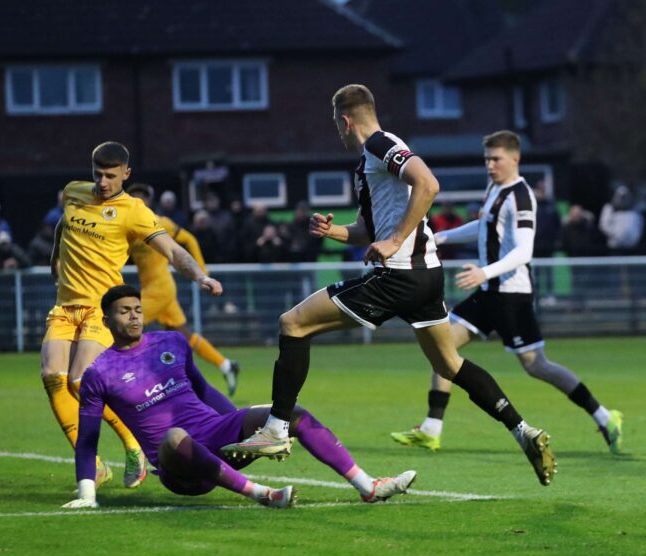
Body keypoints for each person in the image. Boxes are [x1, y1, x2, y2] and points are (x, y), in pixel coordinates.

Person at [228, 84, 557, 486]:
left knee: (293, 323)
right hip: (424, 277)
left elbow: (428, 184)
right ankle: (523, 431)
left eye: (337, 125)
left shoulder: (382, 145)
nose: (338, 132)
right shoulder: (374, 158)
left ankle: (277, 427)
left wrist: (396, 240)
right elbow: (370, 230)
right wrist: (335, 233)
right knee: (448, 363)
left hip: (398, 276)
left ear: (345, 121)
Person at [62, 285, 417, 509]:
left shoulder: (170, 342)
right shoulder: (98, 373)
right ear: (106, 321)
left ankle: (368, 486)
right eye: (124, 311)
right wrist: (87, 493)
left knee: (290, 412)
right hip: (179, 468)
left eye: (137, 309)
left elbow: (203, 390)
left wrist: (239, 428)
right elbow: (88, 437)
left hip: (215, 436)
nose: (134, 316)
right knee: (174, 438)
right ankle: (261, 493)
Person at [390, 130, 624, 455]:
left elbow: (524, 251)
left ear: (515, 158)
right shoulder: (494, 188)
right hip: (488, 292)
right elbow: (483, 227)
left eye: (496, 159)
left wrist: (484, 271)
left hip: (512, 295)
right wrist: (440, 238)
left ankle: (604, 415)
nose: (490, 165)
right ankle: (432, 428)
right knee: (442, 348)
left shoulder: (521, 196)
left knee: (536, 366)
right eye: (487, 158)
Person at [42, 141, 222, 493]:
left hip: (100, 307)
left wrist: (200, 276)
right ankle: (94, 466)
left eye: (111, 175)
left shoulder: (134, 210)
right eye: (98, 174)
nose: (103, 182)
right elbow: (62, 228)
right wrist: (55, 263)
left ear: (127, 173)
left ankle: (133, 445)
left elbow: (171, 249)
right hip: (65, 306)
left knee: (80, 381)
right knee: (52, 376)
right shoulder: (74, 192)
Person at [125, 183, 240, 395]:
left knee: (125, 327)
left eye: (142, 197)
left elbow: (189, 239)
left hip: (160, 289)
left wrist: (202, 273)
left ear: (149, 202)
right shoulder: (128, 226)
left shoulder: (160, 222)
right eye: (134, 197)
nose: (138, 201)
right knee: (183, 334)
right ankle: (226, 365)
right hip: (156, 289)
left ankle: (134, 385)